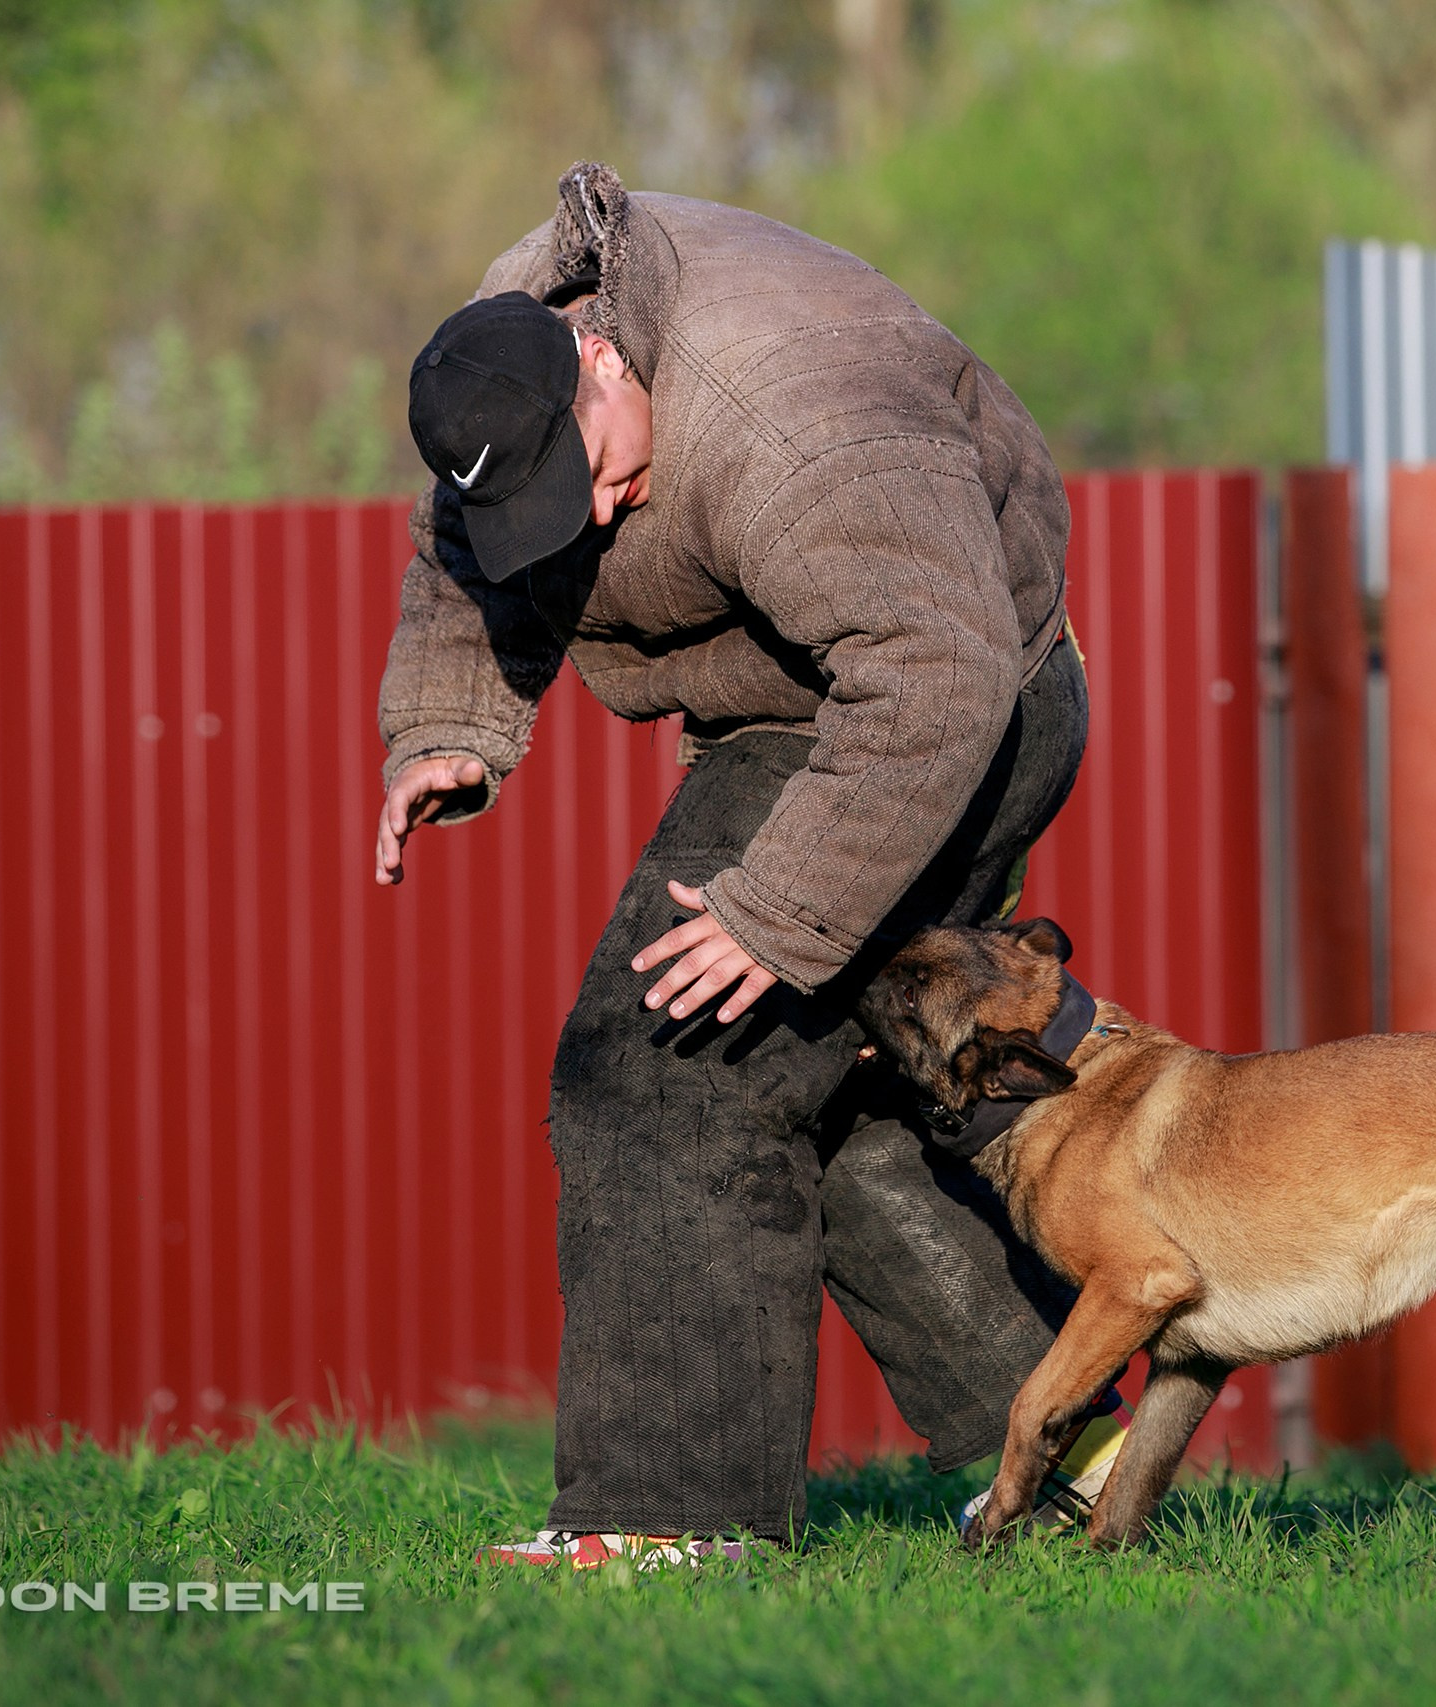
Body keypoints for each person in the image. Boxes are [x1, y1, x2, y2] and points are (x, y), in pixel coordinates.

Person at [375, 163, 1122, 1568]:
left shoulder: (796, 417)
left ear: (602, 362)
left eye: (587, 483)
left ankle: (668, 1527)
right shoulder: (506, 355)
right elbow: (464, 546)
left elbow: (935, 677)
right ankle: (1079, 1454)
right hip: (811, 712)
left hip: (954, 706)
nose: (587, 524)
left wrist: (778, 918)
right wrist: (447, 726)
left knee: (662, 1071)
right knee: (800, 1102)